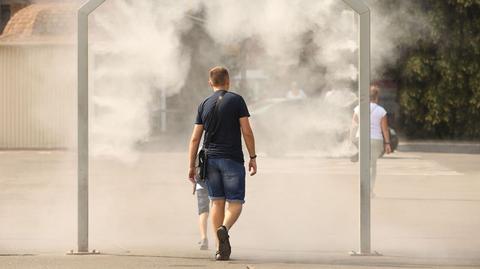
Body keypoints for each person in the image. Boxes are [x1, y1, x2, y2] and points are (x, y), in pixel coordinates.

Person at [188, 66, 257, 261]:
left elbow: (195, 138)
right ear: (228, 81)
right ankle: (224, 229)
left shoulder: (203, 104)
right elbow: (247, 131)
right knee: (235, 202)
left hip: (210, 160)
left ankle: (220, 249)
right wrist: (253, 156)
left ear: (210, 83)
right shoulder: (237, 100)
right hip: (232, 159)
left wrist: (191, 165)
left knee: (216, 201)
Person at [351, 85, 392, 197]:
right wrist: (387, 143)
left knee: (363, 165)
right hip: (375, 140)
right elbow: (384, 129)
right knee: (372, 166)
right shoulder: (381, 110)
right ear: (376, 97)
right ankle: (369, 190)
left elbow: (354, 125)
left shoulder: (358, 108)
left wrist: (351, 140)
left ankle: (362, 189)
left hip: (361, 138)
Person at [195, 181, 209, 250]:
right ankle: (219, 240)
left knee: (203, 211)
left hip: (201, 181)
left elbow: (192, 171)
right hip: (217, 182)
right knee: (217, 206)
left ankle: (204, 238)